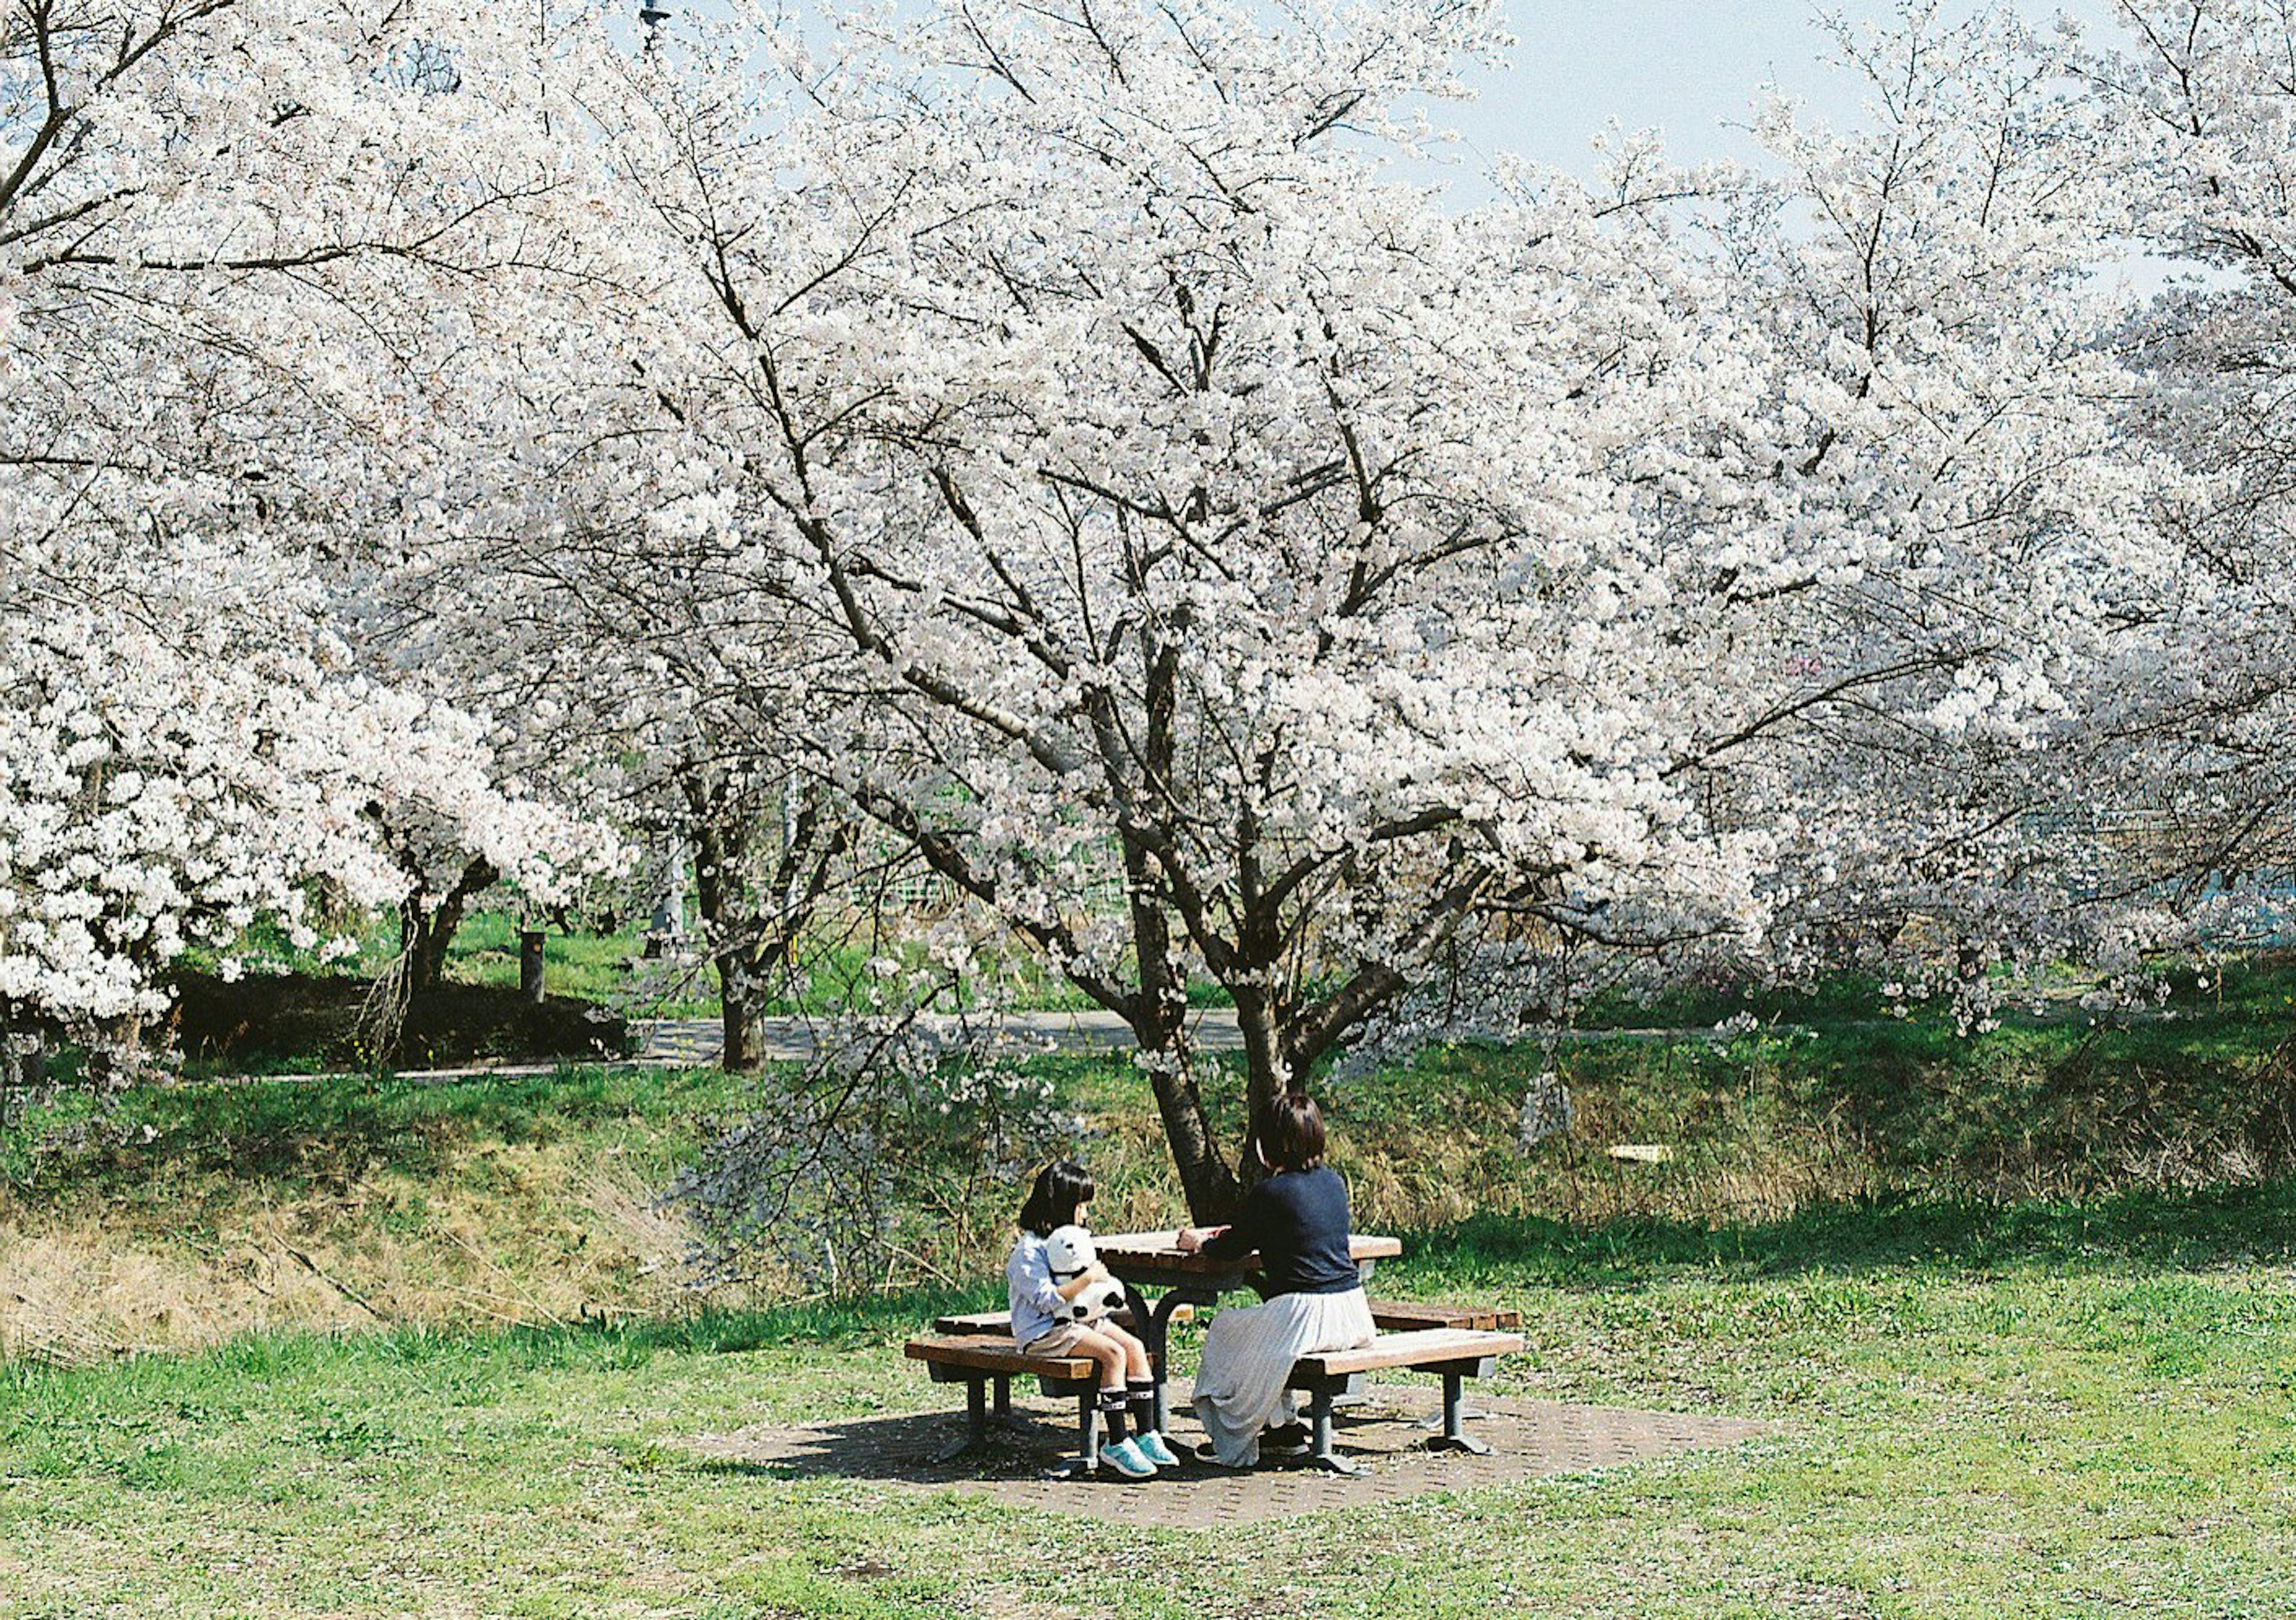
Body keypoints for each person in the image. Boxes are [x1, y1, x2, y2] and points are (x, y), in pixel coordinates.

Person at [1176, 1093, 1374, 1469]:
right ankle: (1284, 1428)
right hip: (1352, 1311)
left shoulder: (1270, 1192)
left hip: (1305, 1315)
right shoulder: (1333, 1182)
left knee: (1225, 1328)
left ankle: (1233, 1436)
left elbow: (1230, 1248)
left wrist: (1200, 1242)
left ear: (1274, 1145)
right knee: (1264, 1331)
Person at [1008, 1160, 1179, 1479]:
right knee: (1112, 1354)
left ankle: (1146, 1433)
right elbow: (1047, 1301)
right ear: (1061, 1206)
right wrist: (1088, 1279)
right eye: (1081, 1206)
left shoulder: (1069, 1241)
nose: (1085, 1215)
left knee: (1134, 1348)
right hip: (1045, 1333)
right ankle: (1116, 1441)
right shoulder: (1028, 1252)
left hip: (1081, 1324)